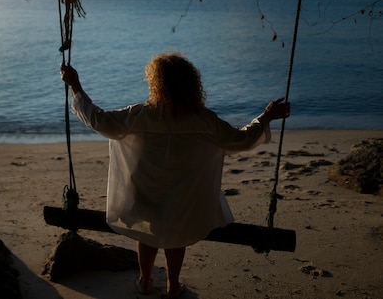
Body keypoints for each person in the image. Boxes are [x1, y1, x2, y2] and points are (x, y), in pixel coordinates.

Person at [59, 51, 290, 299]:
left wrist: (75, 86)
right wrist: (265, 117)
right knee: (176, 234)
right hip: (184, 195)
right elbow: (241, 139)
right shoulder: (204, 121)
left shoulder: (141, 114)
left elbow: (99, 119)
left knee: (148, 233)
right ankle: (172, 285)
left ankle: (145, 282)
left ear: (156, 83)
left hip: (145, 190)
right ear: (191, 85)